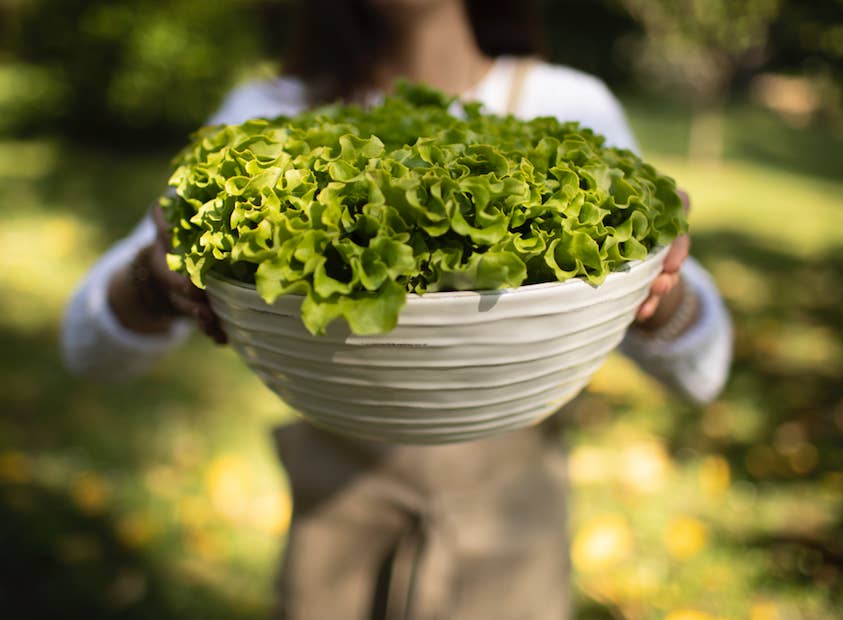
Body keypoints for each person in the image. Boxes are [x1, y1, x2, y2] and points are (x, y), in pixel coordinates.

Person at [61, 1, 733, 618]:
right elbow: (89, 350)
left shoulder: (569, 101)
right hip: (338, 533)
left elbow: (703, 369)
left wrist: (656, 290)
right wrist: (156, 277)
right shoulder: (269, 110)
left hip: (511, 541)